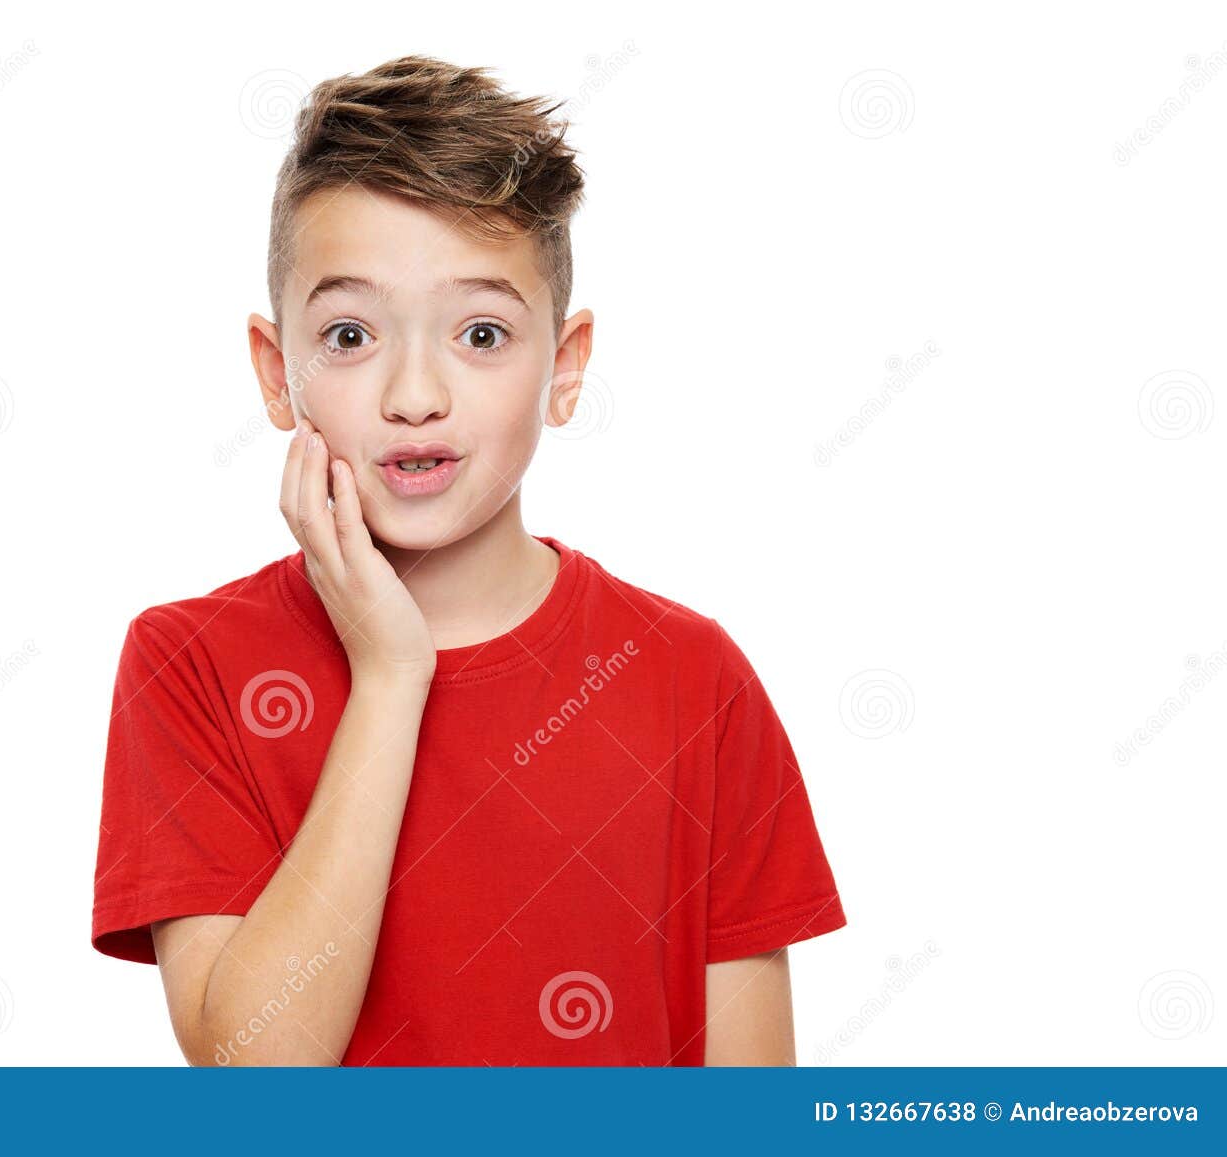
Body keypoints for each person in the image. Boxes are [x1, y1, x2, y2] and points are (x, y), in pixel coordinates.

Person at [90, 54, 847, 1065]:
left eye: (481, 332)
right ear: (279, 375)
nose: (414, 393)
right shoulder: (190, 662)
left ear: (565, 368)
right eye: (351, 334)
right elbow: (253, 1076)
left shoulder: (689, 676)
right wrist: (390, 675)